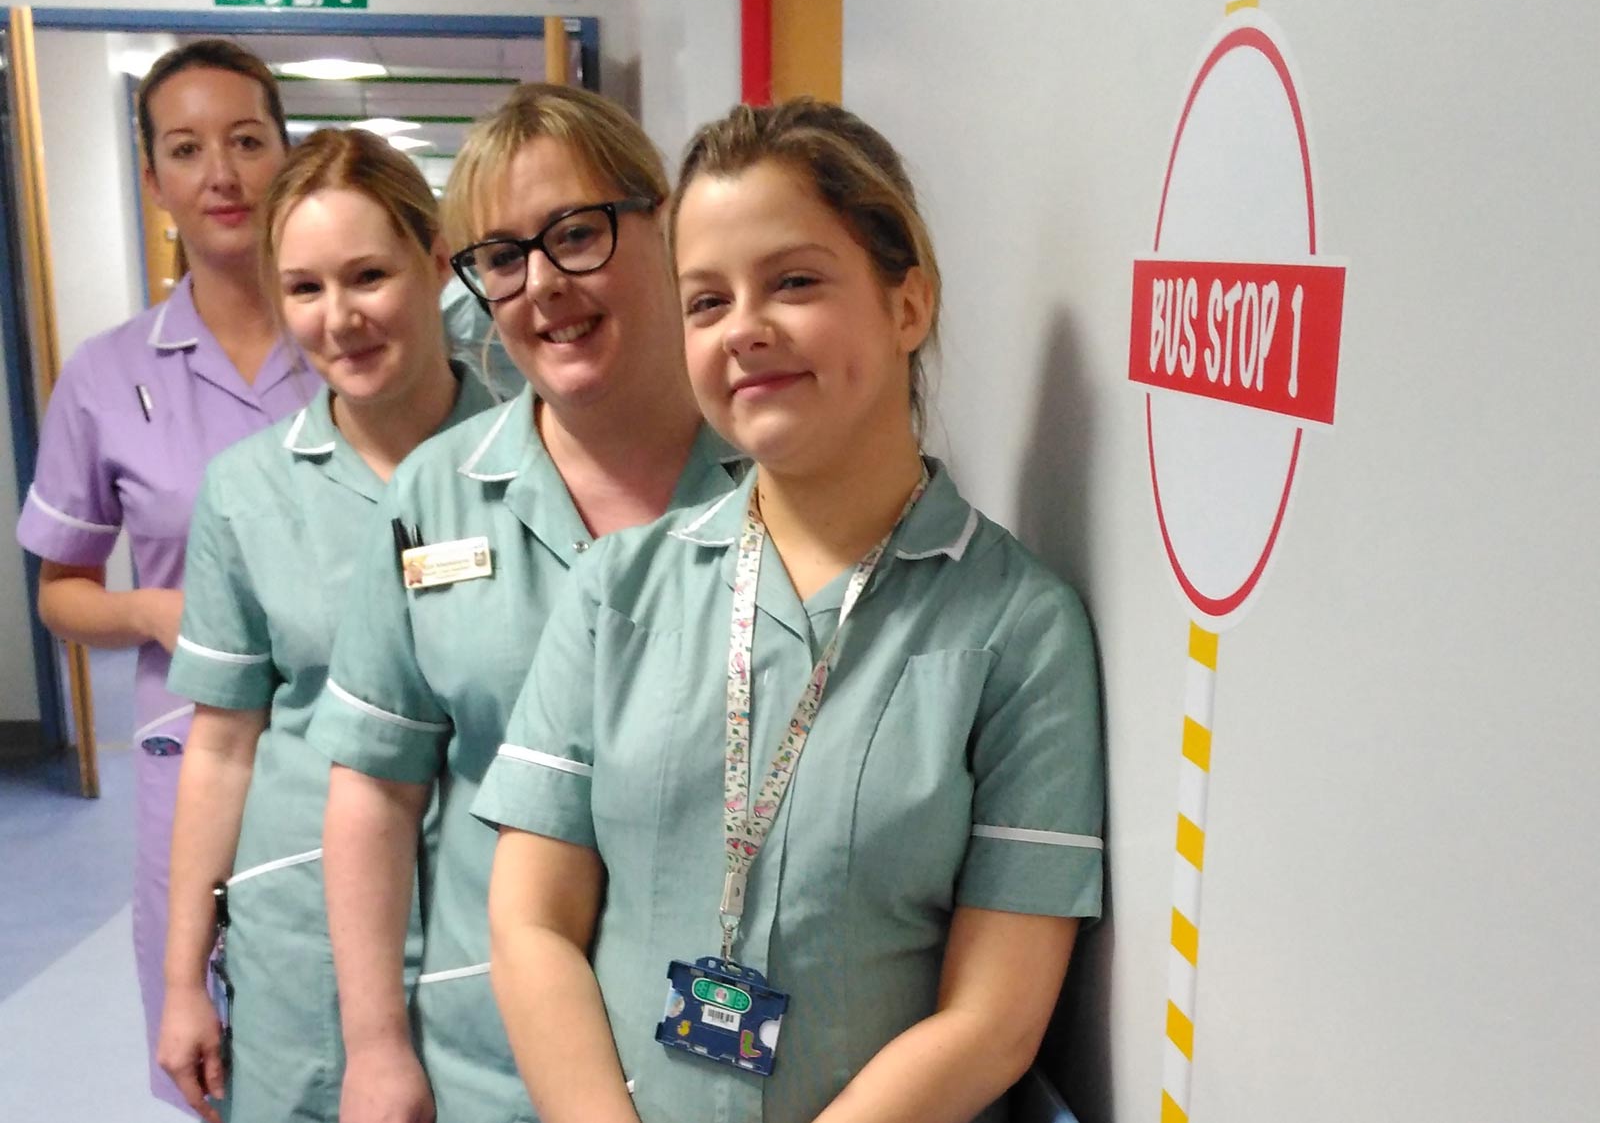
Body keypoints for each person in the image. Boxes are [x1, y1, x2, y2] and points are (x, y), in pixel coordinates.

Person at [476, 99, 1106, 1123]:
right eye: (705, 301)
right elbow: (530, 919)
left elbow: (995, 1015)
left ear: (908, 305)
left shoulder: (1015, 629)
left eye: (795, 282)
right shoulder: (618, 593)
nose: (746, 329)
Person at [306, 83, 743, 1123]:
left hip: (718, 1058)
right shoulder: (437, 494)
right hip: (490, 1056)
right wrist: (374, 1046)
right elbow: (374, 786)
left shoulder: (775, 475)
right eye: (502, 256)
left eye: (576, 233)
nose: (543, 283)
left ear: (664, 223)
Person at [153, 129, 496, 1123]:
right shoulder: (249, 492)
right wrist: (182, 982)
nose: (338, 318)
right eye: (304, 288)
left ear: (436, 263)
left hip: (492, 925)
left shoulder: (533, 469)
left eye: (368, 275)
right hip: (302, 937)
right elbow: (220, 745)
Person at [13, 38, 308, 1112]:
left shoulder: (359, 340)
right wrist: (147, 608)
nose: (221, 174)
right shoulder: (106, 375)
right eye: (186, 149)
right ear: (154, 180)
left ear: (288, 154)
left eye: (246, 140)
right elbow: (62, 589)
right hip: (193, 760)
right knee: (213, 1054)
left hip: (367, 750)